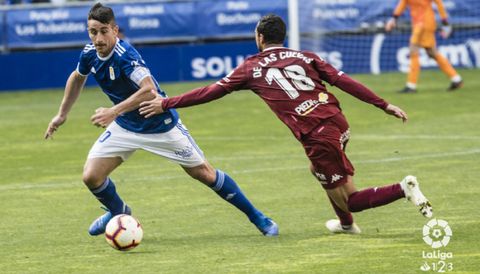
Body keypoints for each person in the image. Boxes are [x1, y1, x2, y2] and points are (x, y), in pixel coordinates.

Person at [139, 14, 433, 234]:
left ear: (260, 37)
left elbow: (210, 92)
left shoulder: (252, 67)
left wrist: (166, 102)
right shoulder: (305, 56)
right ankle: (346, 226)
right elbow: (344, 82)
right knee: (319, 170)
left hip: (318, 135)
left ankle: (402, 189)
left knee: (350, 199)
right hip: (338, 122)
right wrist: (384, 104)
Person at [44, 3, 278, 237]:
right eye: (93, 32)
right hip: (127, 126)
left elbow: (149, 89)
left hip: (159, 125)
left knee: (205, 174)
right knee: (91, 176)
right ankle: (118, 212)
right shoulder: (89, 53)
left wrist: (114, 111)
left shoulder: (126, 56)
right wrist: (62, 114)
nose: (98, 38)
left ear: (115, 30)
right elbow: (77, 77)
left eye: (104, 31)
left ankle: (258, 217)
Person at [385, 0, 463, 93]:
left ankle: (411, 85)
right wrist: (394, 18)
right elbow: (403, 3)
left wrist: (445, 22)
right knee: (432, 53)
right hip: (423, 23)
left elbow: (438, 3)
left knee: (413, 50)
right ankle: (456, 79)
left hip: (423, 24)